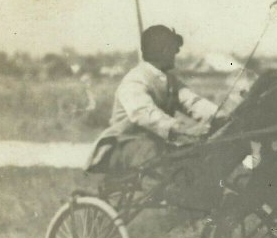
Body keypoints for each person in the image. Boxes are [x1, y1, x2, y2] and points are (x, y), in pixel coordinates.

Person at [85, 25, 220, 175]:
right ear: (164, 50)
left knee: (195, 162)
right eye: (174, 49)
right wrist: (184, 128)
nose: (177, 53)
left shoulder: (169, 81)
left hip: (151, 146)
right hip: (123, 145)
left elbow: (193, 102)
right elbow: (144, 114)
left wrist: (222, 116)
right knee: (157, 162)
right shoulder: (135, 80)